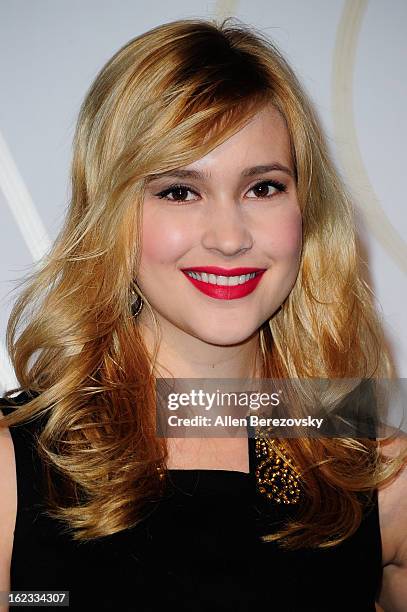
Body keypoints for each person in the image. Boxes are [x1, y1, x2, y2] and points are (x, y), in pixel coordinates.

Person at [0, 17, 406, 612]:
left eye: (263, 187)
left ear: (306, 210)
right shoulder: (15, 470)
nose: (229, 237)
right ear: (112, 214)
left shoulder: (378, 472)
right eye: (179, 191)